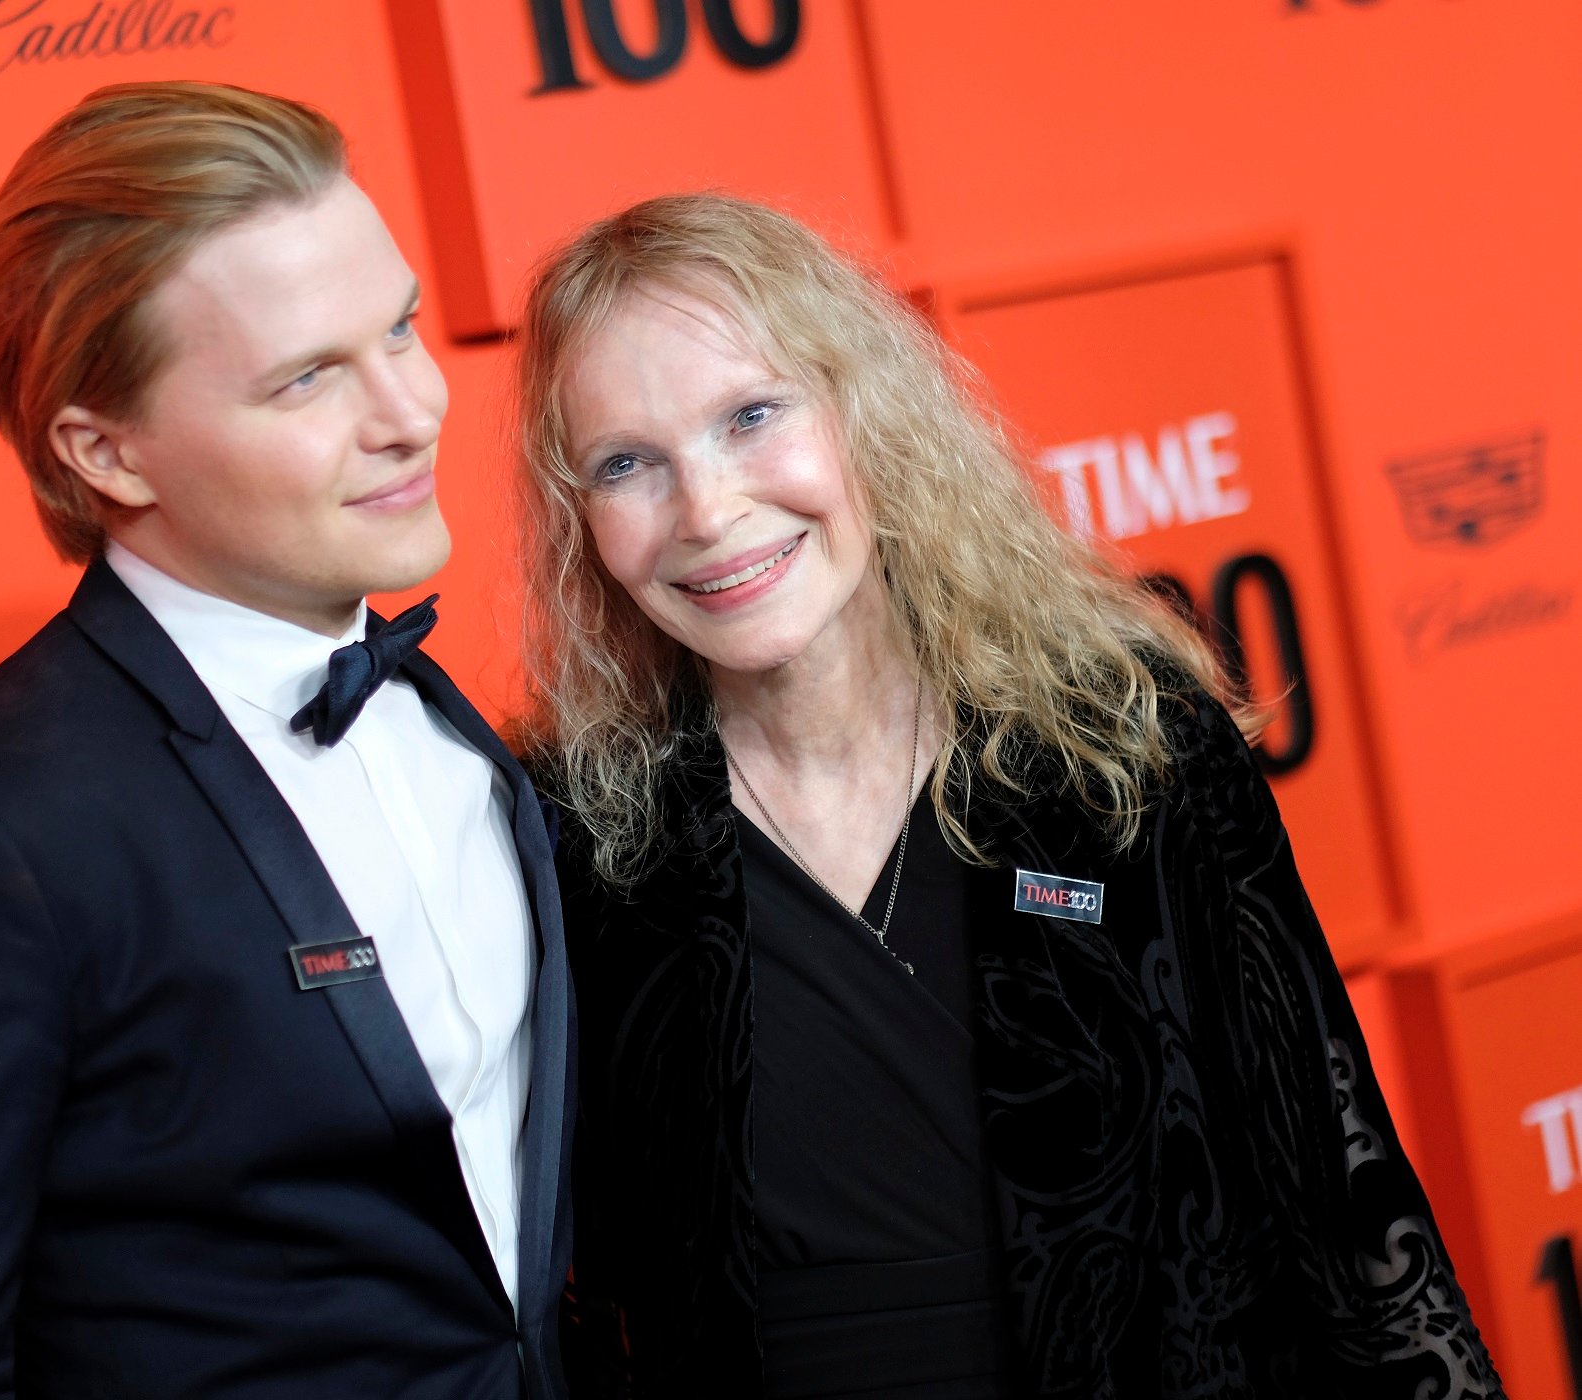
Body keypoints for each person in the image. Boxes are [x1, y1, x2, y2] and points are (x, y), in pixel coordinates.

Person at [513, 193, 1501, 1399]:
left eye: (752, 416)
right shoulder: (578, 841)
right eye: (628, 464)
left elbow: (1342, 1200)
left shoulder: (1122, 748)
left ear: (863, 412)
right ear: (582, 522)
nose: (708, 511)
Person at [0, 81, 572, 1399]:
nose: (411, 409)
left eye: (401, 330)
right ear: (108, 451)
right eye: (310, 376)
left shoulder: (444, 723)